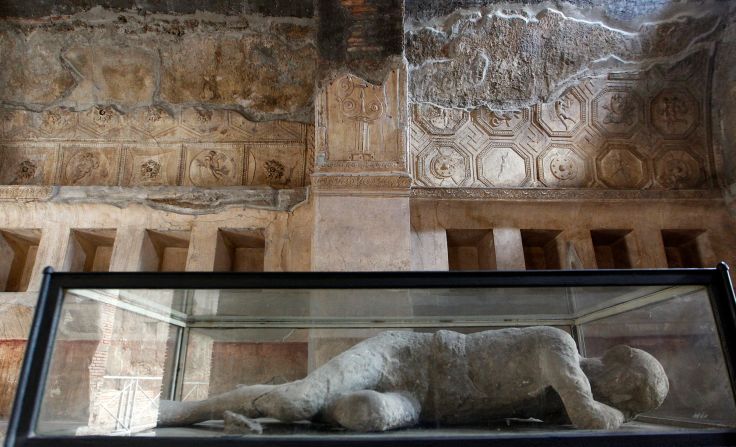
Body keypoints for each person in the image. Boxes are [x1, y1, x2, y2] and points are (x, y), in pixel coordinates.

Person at [157, 326, 669, 432]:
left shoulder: (553, 404)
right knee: (299, 401)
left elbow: (576, 416)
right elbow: (591, 420)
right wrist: (621, 416)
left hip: (420, 404)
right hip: (410, 356)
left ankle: (293, 409)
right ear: (617, 373)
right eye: (628, 392)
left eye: (630, 400)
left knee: (366, 414)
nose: (621, 399)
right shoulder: (561, 347)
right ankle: (186, 409)